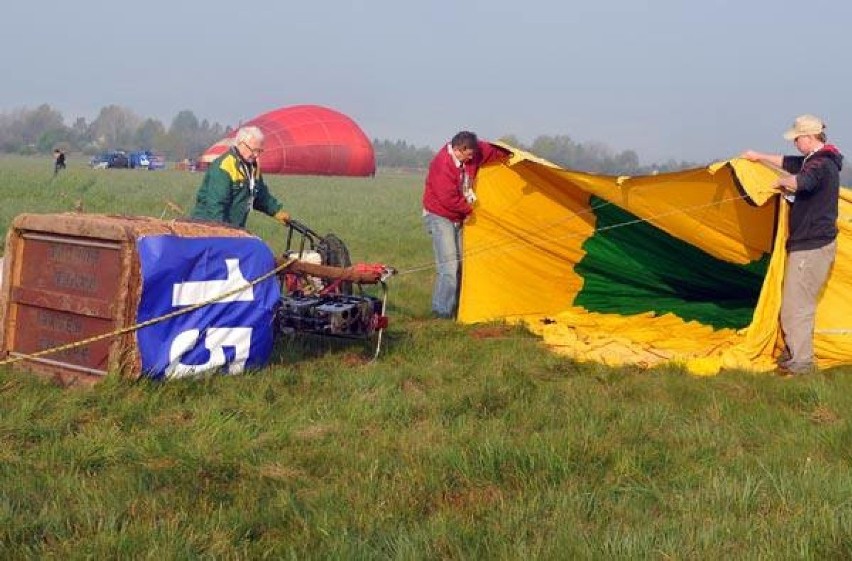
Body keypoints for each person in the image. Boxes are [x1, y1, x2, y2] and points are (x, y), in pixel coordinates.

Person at [741, 114, 843, 375]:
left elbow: (801, 180)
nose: (795, 143)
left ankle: (802, 362)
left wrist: (779, 182)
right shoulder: (815, 159)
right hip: (807, 244)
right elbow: (790, 163)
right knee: (793, 304)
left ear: (810, 138)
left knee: (798, 306)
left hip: (812, 246)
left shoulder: (821, 165)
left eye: (797, 139)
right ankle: (794, 353)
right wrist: (758, 157)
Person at [422, 131, 509, 318]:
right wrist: (471, 211)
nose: (473, 158)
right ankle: (441, 313)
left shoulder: (474, 151)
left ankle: (458, 309)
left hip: (458, 216)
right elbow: (448, 199)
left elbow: (491, 151)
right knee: (449, 267)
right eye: (470, 154)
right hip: (440, 215)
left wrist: (510, 155)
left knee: (463, 264)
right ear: (459, 150)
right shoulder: (442, 164)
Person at [191, 126, 290, 229]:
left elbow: (260, 196)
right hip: (208, 228)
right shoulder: (224, 166)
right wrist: (223, 233)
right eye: (254, 150)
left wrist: (276, 211)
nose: (256, 155)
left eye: (259, 151)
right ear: (241, 144)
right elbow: (215, 206)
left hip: (234, 229)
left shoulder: (252, 167)